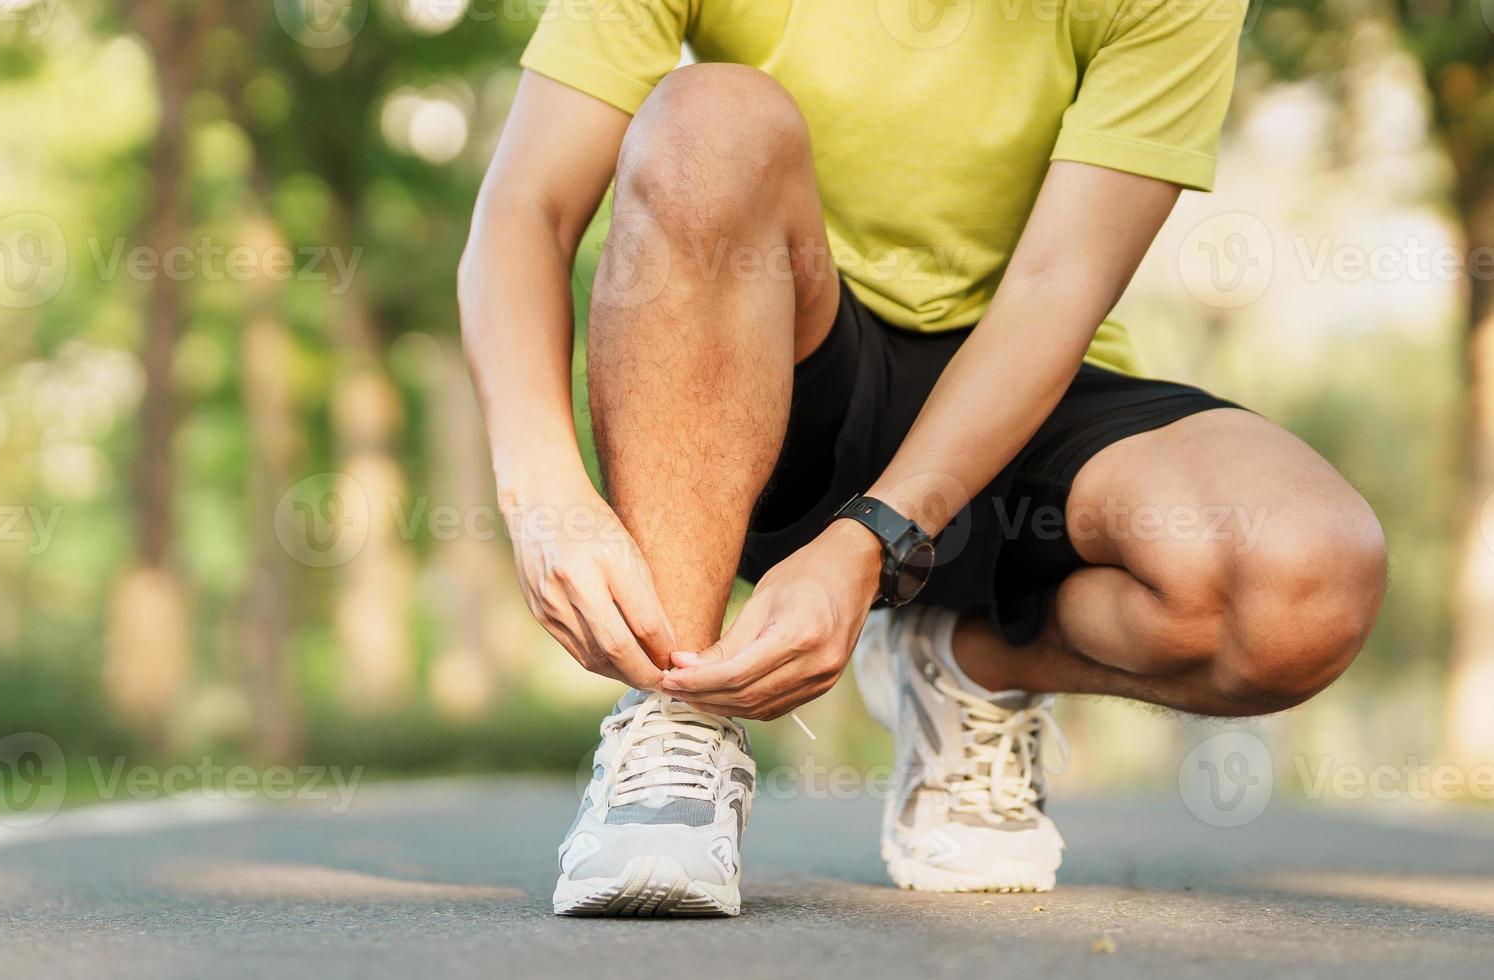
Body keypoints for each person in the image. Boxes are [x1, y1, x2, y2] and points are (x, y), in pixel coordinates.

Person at [456, 0, 1387, 915]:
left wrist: (873, 538)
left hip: (1022, 372)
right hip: (778, 366)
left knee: (1303, 581)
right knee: (710, 117)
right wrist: (540, 484)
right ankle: (676, 721)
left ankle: (965, 658)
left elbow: (1056, 285)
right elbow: (526, 210)